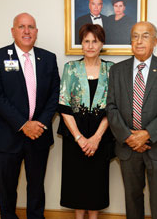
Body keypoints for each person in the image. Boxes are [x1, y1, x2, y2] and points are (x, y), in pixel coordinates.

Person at [0, 12, 60, 219]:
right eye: (21, 27)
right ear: (13, 31)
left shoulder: (48, 58)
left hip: (39, 135)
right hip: (8, 136)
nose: (26, 31)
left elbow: (55, 95)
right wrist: (23, 124)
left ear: (36, 32)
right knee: (7, 188)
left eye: (31, 27)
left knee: (36, 187)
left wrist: (40, 124)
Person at [106, 21, 157, 219]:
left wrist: (146, 135)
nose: (139, 41)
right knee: (132, 201)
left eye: (145, 36)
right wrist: (129, 136)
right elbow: (111, 107)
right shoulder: (117, 71)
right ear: (130, 42)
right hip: (127, 147)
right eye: (135, 36)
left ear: (154, 41)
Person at [58, 24, 114, 219]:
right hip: (75, 135)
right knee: (77, 183)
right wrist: (80, 138)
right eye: (86, 41)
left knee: (96, 183)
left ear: (102, 44)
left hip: (101, 135)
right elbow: (64, 105)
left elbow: (113, 107)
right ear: (81, 44)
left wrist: (96, 138)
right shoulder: (70, 68)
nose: (90, 46)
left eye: (95, 41)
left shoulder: (111, 69)